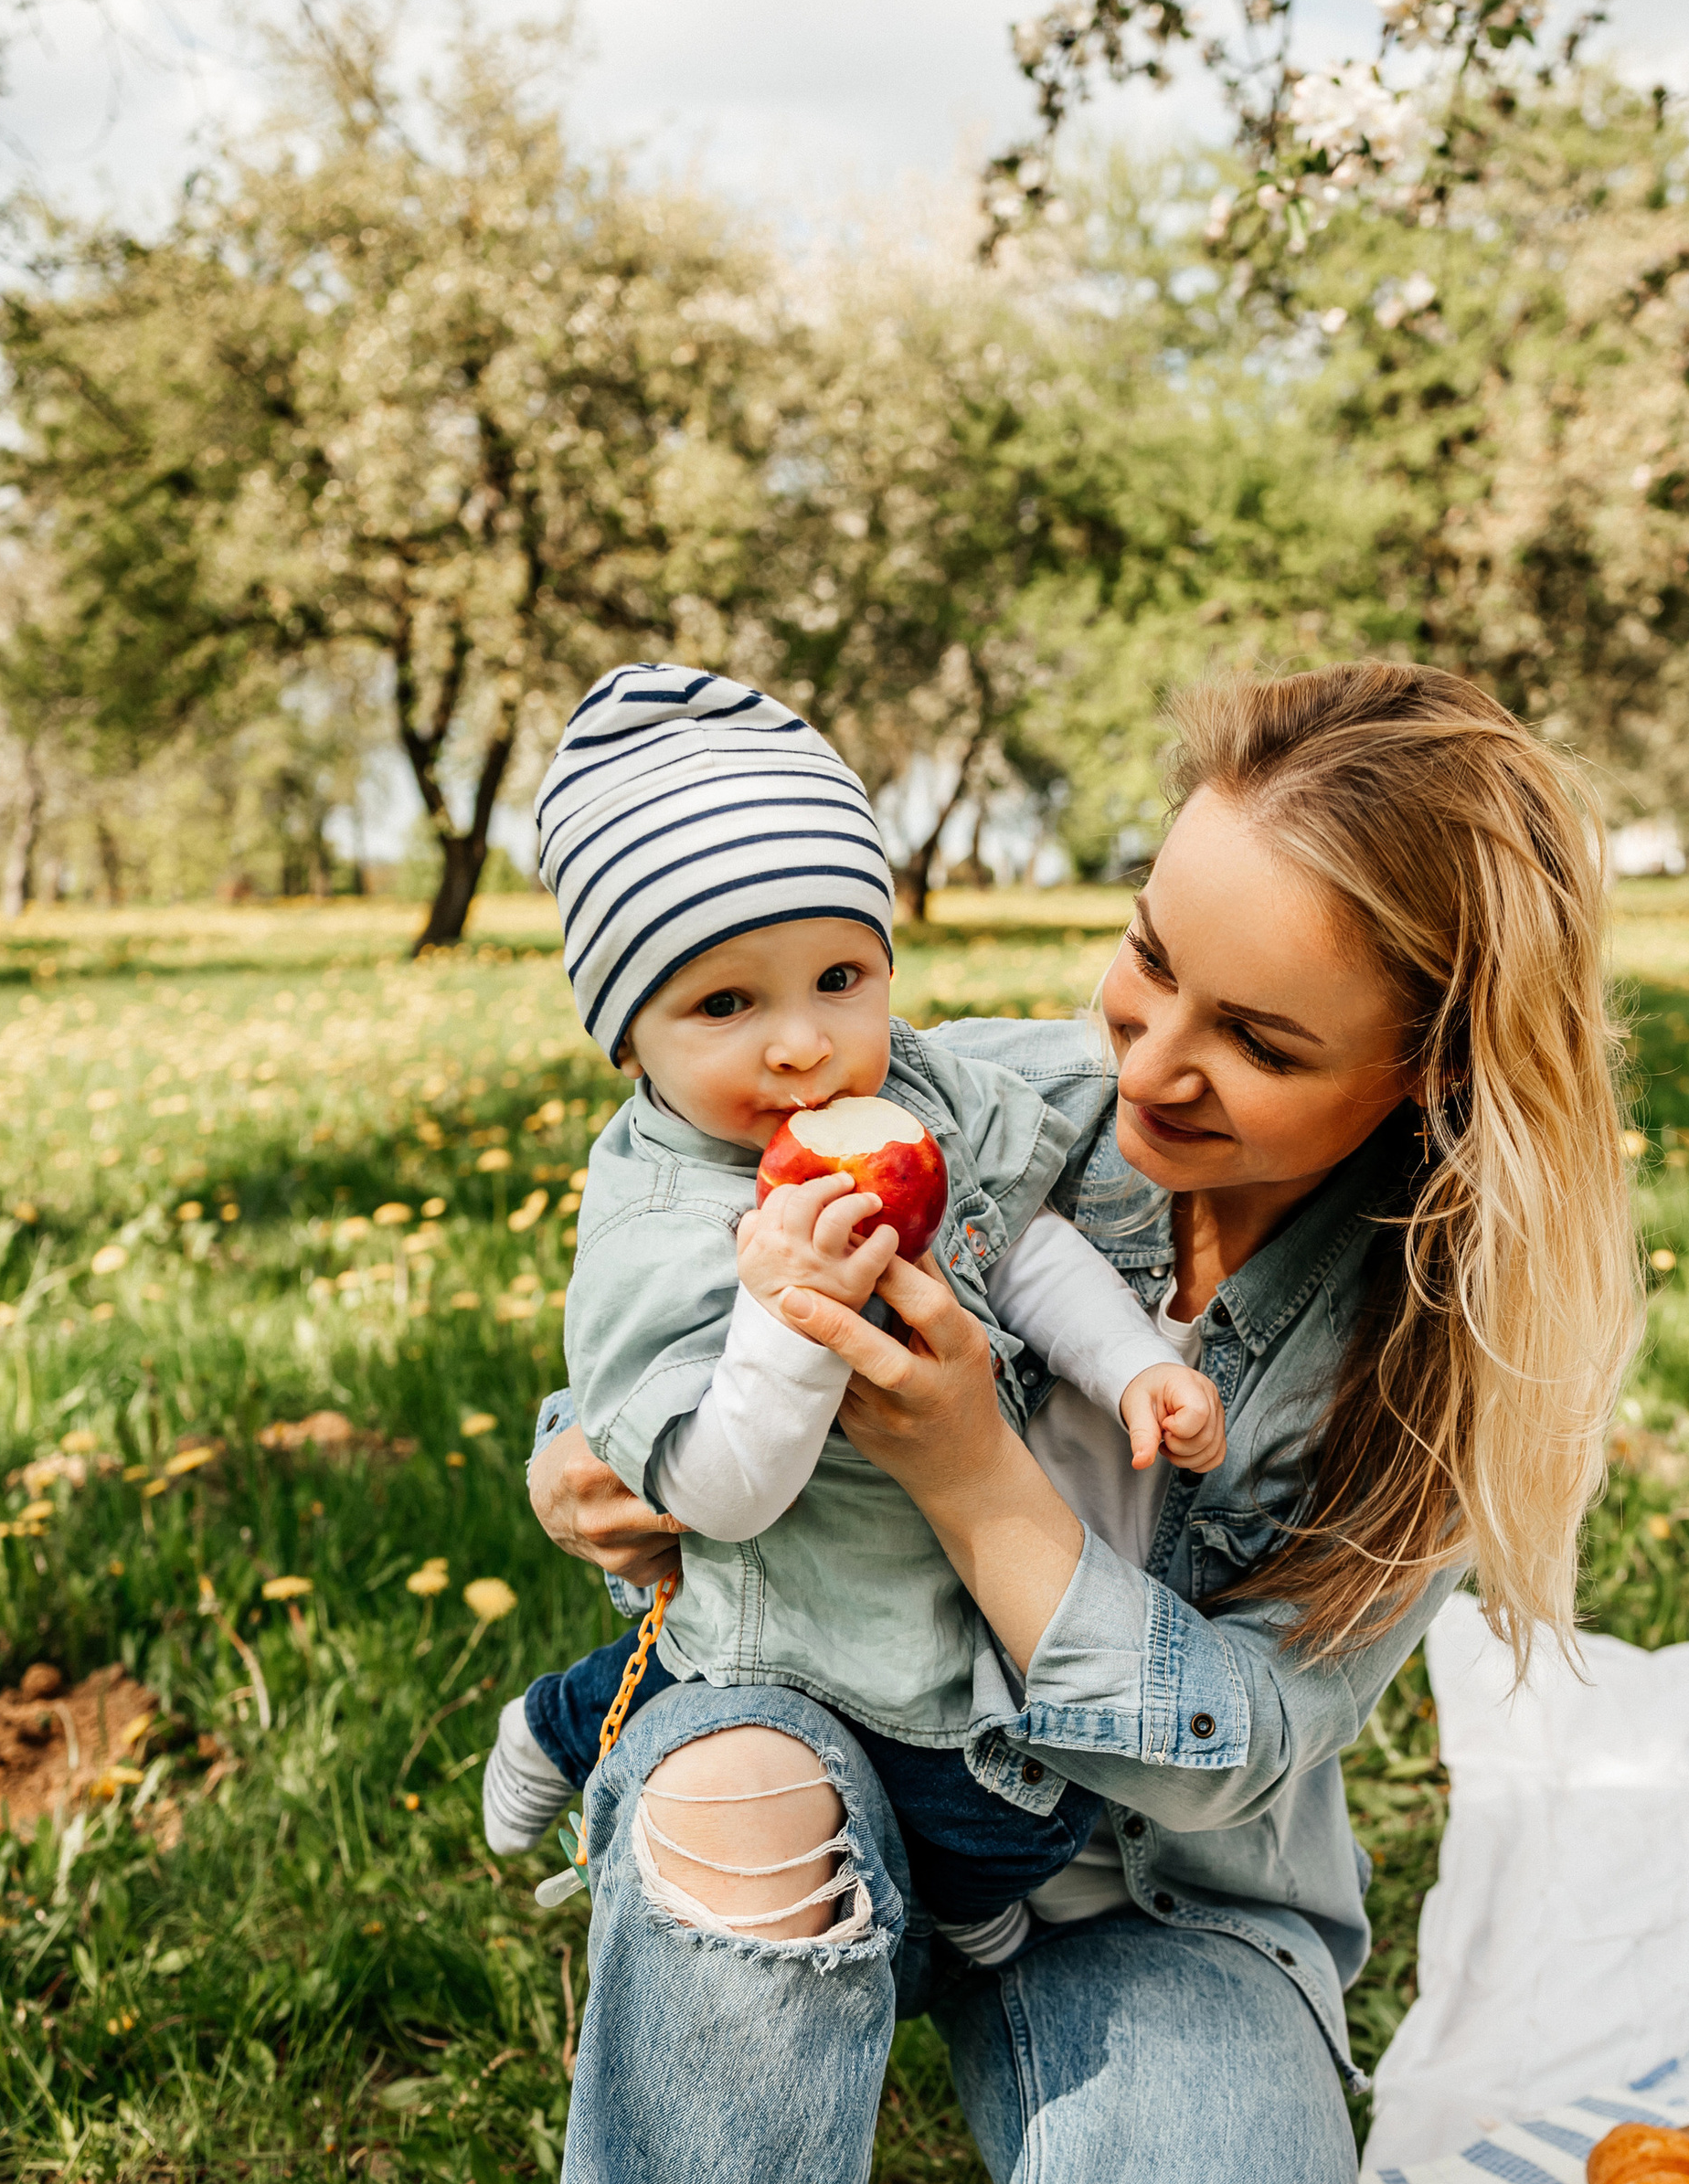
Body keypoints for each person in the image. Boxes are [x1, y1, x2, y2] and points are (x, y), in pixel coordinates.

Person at [506, 662, 1643, 2184]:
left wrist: (974, 1474)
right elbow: (671, 1271)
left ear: (1423, 1070)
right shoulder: (973, 1105)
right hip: (823, 1741)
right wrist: (579, 1456)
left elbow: (1244, 1738)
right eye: (1144, 953)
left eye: (1256, 1036)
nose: (1146, 1064)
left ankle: (968, 2093)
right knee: (728, 1806)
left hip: (1151, 1886)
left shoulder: (1440, 1330)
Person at [481, 663, 1227, 1962]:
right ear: (626, 1038)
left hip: (939, 1593)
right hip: (772, 1617)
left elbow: (1026, 1244)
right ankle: (565, 1720)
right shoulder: (661, 1226)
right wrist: (783, 1315)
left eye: (840, 976)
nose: (802, 1045)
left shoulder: (926, 1092)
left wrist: (1126, 1368)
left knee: (1013, 1825)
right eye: (724, 1003)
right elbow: (716, 1498)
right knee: (746, 1711)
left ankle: (946, 1891)